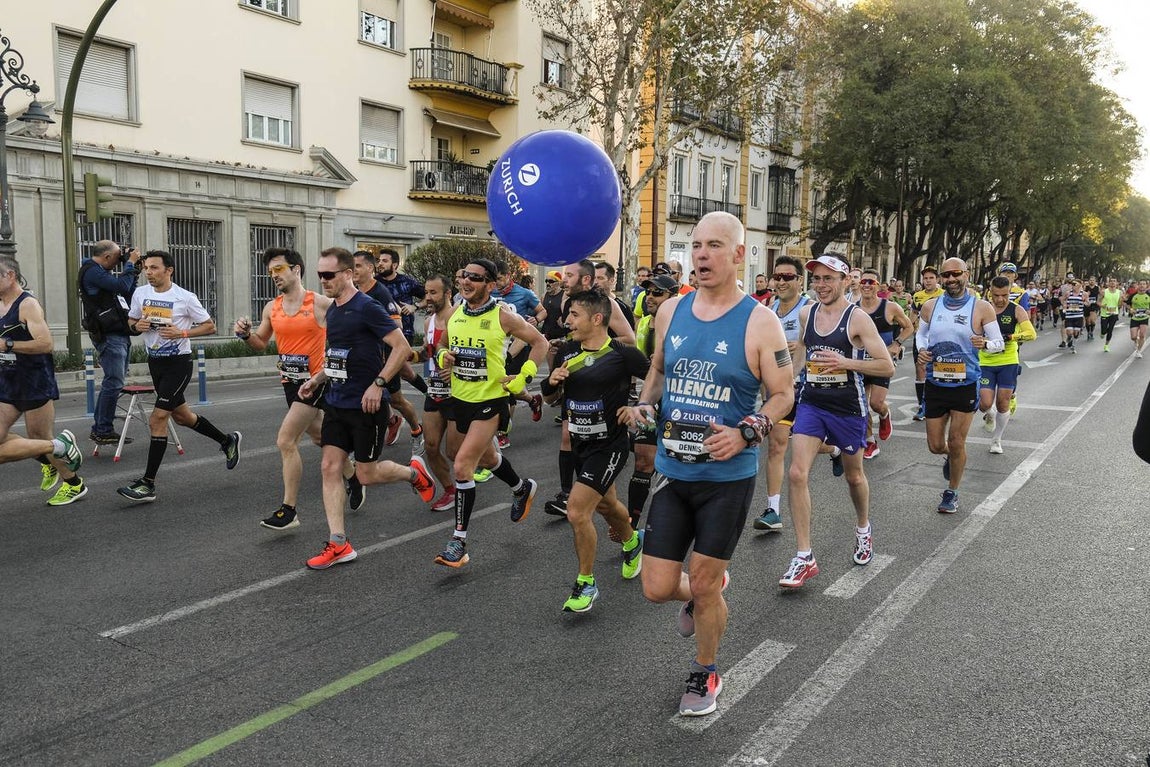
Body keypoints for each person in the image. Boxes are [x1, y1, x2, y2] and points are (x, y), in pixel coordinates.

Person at [630, 211, 794, 717]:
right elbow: (658, 370)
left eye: (714, 246)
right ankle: (705, 592)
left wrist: (749, 429)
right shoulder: (669, 313)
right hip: (672, 470)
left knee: (702, 582)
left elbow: (784, 393)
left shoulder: (760, 322)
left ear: (739, 254)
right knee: (656, 587)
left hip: (726, 478)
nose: (701, 255)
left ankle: (706, 669)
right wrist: (643, 402)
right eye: (696, 245)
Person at [296, 247, 436, 569]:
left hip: (367, 405)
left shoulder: (368, 308)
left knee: (367, 474)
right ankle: (339, 544)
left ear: (347, 274)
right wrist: (316, 381)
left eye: (329, 275)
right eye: (320, 275)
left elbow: (401, 348)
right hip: (336, 401)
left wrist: (379, 383)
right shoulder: (333, 311)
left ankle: (414, 474)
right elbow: (336, 357)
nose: (323, 280)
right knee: (330, 467)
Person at [778, 255, 895, 589]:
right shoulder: (806, 313)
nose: (821, 285)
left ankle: (863, 529)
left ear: (846, 280)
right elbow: (803, 349)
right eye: (816, 279)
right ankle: (804, 556)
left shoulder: (857, 319)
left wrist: (846, 361)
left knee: (855, 477)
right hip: (813, 402)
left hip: (847, 406)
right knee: (797, 472)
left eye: (828, 279)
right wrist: (787, 377)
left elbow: (886, 366)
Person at [233, 247, 365, 530]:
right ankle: (353, 476)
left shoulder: (319, 303)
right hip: (290, 384)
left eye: (279, 269)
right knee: (321, 438)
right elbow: (260, 342)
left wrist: (333, 369)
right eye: (271, 272)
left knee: (285, 440)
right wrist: (245, 335)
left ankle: (289, 510)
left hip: (316, 383)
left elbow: (345, 336)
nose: (274, 276)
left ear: (296, 269)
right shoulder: (272, 307)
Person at [432, 258, 548, 568]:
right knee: (484, 457)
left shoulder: (503, 316)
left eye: (475, 278)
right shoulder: (455, 313)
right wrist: (445, 357)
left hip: (491, 401)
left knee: (462, 467)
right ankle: (521, 488)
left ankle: (458, 541)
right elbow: (442, 345)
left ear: (490, 284)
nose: (466, 282)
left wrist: (523, 377)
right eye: (464, 276)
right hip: (461, 399)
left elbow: (540, 343)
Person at [543, 289, 650, 612]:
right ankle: (632, 542)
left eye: (574, 315)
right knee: (606, 506)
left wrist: (637, 409)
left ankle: (586, 584)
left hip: (611, 445)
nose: (567, 321)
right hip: (580, 442)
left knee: (577, 511)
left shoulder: (622, 353)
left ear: (597, 318)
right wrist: (552, 382)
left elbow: (660, 382)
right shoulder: (567, 352)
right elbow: (550, 400)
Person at [116, 251, 241, 503]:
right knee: (183, 417)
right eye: (146, 268)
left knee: (158, 417)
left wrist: (183, 334)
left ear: (168, 270)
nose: (148, 272)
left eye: (154, 268)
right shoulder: (141, 293)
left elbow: (210, 326)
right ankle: (227, 440)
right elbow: (131, 320)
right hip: (155, 363)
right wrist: (135, 326)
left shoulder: (184, 297)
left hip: (178, 364)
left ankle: (148, 484)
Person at [753, 255, 840, 533]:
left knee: (804, 442)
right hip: (778, 389)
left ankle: (835, 448)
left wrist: (800, 347)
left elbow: (824, 342)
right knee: (778, 443)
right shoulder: (767, 308)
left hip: (806, 387)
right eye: (776, 276)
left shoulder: (811, 308)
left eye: (787, 277)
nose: (780, 282)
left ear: (799, 281)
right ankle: (772, 510)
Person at [543, 259, 636, 517]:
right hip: (576, 379)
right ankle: (569, 494)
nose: (564, 279)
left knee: (587, 441)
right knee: (569, 436)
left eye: (570, 275)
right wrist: (566, 344)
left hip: (604, 380)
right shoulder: (566, 303)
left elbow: (629, 339)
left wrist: (593, 351)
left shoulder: (606, 305)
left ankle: (572, 496)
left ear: (585, 279)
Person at [915, 258, 1003, 514]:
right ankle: (951, 459)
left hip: (966, 383)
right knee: (935, 445)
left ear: (967, 274)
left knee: (956, 441)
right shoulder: (930, 307)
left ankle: (952, 492)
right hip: (935, 382)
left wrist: (985, 343)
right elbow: (921, 334)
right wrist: (921, 350)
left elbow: (998, 342)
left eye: (956, 274)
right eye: (946, 275)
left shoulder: (982, 308)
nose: (951, 279)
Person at [0, 255, 86, 505]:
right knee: (28, 442)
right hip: (6, 383)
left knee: (38, 435)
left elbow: (46, 344)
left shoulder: (27, 305)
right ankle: (50, 452)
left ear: (10, 276)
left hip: (34, 381)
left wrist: (8, 344)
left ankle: (73, 484)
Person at [352, 250, 424, 453]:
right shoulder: (353, 291)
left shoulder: (380, 293)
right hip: (363, 359)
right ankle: (388, 422)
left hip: (385, 357)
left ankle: (417, 430)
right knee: (365, 399)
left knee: (396, 400)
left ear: (369, 268)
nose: (354, 270)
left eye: (358, 266)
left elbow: (398, 326)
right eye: (352, 266)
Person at [79, 240, 140, 444]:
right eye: (116, 257)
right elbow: (122, 284)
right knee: (113, 383)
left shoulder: (101, 274)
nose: (118, 261)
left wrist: (134, 271)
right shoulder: (91, 271)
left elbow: (127, 291)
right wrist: (129, 264)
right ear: (106, 257)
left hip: (118, 333)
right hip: (109, 335)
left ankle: (101, 428)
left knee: (114, 383)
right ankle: (103, 429)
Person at [854, 268, 913, 459]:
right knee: (861, 405)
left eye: (871, 282)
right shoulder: (853, 308)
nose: (866, 285)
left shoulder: (890, 307)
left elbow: (909, 326)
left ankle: (885, 414)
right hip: (860, 363)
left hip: (881, 363)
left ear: (878, 286)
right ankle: (870, 442)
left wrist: (896, 344)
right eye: (864, 282)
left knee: (876, 403)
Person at [977, 276, 1036, 454]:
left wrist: (1011, 337)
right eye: (996, 295)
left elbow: (1031, 334)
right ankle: (990, 414)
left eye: (1005, 295)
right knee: (984, 403)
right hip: (985, 361)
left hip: (1008, 361)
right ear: (990, 292)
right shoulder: (981, 309)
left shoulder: (1016, 310)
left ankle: (997, 439)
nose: (1001, 299)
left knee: (1003, 403)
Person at [494, 259, 546, 447]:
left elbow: (542, 311)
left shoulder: (524, 294)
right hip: (495, 348)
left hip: (518, 346)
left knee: (507, 388)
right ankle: (533, 400)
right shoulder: (490, 292)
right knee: (509, 389)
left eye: (500, 279)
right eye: (494, 279)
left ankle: (502, 431)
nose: (497, 283)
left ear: (508, 277)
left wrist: (535, 319)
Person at [417, 274, 459, 512]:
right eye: (426, 293)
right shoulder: (428, 322)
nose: (428, 298)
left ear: (447, 294)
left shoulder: (459, 318)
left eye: (434, 293)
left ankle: (490, 451)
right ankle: (450, 490)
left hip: (459, 391)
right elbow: (429, 352)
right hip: (434, 388)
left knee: (453, 451)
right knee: (431, 446)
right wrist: (411, 355)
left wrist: (454, 370)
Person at [910, 265, 944, 420]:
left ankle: (938, 403)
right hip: (921, 337)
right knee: (920, 369)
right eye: (925, 278)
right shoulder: (917, 296)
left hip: (939, 338)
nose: (928, 281)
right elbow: (913, 315)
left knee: (938, 371)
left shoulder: (943, 294)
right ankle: (922, 406)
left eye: (931, 278)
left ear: (937, 280)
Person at [539, 270, 568, 342]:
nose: (548, 283)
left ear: (558, 283)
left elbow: (568, 314)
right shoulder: (543, 296)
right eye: (546, 281)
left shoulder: (564, 295)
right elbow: (540, 313)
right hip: (545, 333)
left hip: (560, 335)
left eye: (551, 281)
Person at [1059, 279, 1086, 353]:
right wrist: (1064, 304)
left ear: (1080, 285)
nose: (1073, 286)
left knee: (1076, 332)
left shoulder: (1083, 294)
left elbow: (1088, 303)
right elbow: (1062, 299)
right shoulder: (1068, 293)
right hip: (1069, 315)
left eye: (1075, 284)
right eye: (1072, 284)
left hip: (1079, 315)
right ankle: (1069, 338)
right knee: (1069, 332)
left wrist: (1084, 301)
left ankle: (1073, 345)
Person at [1099, 277, 1123, 352]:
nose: (1112, 283)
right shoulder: (1104, 291)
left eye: (1114, 281)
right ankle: (1103, 333)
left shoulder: (1120, 292)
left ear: (1117, 283)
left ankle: (1106, 345)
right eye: (1111, 281)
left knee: (1110, 330)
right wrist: (1102, 305)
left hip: (1114, 313)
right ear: (1108, 283)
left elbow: (1120, 305)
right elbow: (1098, 302)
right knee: (1104, 330)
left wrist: (1121, 301)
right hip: (1104, 313)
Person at [1127, 279, 1148, 358]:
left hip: (1144, 318)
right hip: (1135, 318)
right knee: (1133, 337)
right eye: (1141, 284)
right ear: (1138, 285)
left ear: (1146, 285)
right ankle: (1136, 341)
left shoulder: (1148, 295)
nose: (1142, 285)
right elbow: (1127, 304)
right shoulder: (1133, 295)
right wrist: (1131, 309)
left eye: (1144, 284)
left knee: (1142, 335)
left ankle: (1138, 351)